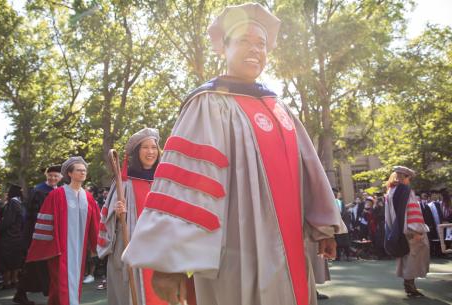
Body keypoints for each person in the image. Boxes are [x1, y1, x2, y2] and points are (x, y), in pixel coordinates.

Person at [122, 4, 343, 305]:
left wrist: (323, 227)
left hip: (289, 251)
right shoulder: (209, 103)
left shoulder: (278, 108)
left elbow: (309, 170)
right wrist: (167, 264)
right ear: (223, 48)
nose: (254, 50)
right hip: (235, 252)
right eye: (243, 41)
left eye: (260, 44)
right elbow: (187, 183)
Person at [98, 128, 183, 305]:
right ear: (137, 152)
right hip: (132, 246)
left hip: (161, 248)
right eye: (145, 147)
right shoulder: (124, 183)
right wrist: (117, 212)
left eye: (154, 147)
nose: (151, 152)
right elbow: (107, 217)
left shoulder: (165, 181)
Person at [26, 157, 100, 305]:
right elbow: (45, 222)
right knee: (61, 283)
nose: (83, 172)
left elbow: (95, 222)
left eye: (84, 170)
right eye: (79, 170)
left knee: (72, 282)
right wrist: (52, 246)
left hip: (80, 247)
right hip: (60, 248)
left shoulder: (88, 197)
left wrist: (95, 245)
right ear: (70, 173)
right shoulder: (57, 194)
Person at [13, 165, 62, 305]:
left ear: (61, 177)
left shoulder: (59, 191)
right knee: (32, 264)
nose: (52, 178)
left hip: (49, 234)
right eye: (50, 175)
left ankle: (23, 294)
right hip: (35, 234)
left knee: (39, 265)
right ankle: (21, 294)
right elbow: (31, 214)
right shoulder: (38, 191)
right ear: (46, 175)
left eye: (56, 176)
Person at [384, 166, 429, 297]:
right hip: (410, 230)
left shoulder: (390, 192)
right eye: (409, 178)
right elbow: (412, 212)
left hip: (397, 230)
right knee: (412, 259)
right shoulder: (406, 191)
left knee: (405, 258)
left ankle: (409, 286)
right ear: (406, 177)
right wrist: (417, 231)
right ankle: (410, 287)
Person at [0, 184, 26, 289]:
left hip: (9, 236)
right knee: (15, 259)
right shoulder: (19, 203)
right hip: (18, 235)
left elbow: (8, 221)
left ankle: (6, 282)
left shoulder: (13, 203)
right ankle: (14, 280)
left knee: (6, 260)